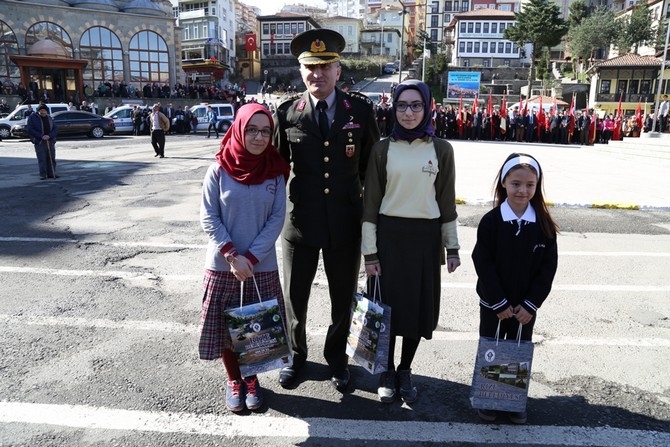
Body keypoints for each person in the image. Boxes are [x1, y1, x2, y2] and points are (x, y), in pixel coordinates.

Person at [273, 28, 380, 392]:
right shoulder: (288, 113)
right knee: (294, 299)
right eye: (309, 68)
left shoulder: (360, 112)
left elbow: (371, 171)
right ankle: (295, 356)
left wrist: (371, 223)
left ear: (338, 70)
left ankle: (337, 359)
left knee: (342, 299)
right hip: (300, 223)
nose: (317, 74)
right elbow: (275, 170)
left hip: (344, 223)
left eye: (325, 66)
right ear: (300, 71)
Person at [361, 80, 461, 404]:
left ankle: (405, 368)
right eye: (402, 105)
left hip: (425, 241)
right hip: (390, 239)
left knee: (418, 310)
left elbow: (447, 203)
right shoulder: (382, 149)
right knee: (388, 310)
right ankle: (387, 370)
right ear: (393, 108)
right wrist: (369, 253)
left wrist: (453, 248)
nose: (408, 112)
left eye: (416, 105)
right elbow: (370, 206)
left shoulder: (442, 149)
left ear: (428, 107)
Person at [199, 103, 290, 413]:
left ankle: (252, 379)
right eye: (252, 129)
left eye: (265, 131)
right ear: (239, 129)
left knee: (256, 329)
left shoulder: (276, 172)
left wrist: (250, 257)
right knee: (228, 330)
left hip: (259, 265)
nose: (258, 137)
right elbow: (209, 217)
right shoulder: (219, 169)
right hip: (224, 265)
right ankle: (234, 379)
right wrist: (232, 255)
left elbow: (277, 219)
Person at [471, 152, 558, 425]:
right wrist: (497, 300)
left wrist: (531, 303)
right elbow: (482, 262)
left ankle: (512, 400)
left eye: (530, 185)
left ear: (537, 186)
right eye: (516, 183)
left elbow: (548, 268)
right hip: (495, 305)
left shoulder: (543, 225)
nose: (523, 190)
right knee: (494, 348)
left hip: (524, 308)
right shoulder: (491, 221)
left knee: (517, 350)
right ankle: (490, 399)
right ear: (504, 183)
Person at [27, 104, 58, 180]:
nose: (43, 112)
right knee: (42, 158)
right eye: (41, 111)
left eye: (44, 111)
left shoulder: (49, 118)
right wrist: (41, 136)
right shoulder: (32, 118)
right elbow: (30, 129)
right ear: (38, 111)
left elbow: (55, 129)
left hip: (50, 140)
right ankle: (43, 174)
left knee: (51, 157)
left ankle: (52, 173)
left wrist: (49, 136)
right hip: (39, 141)